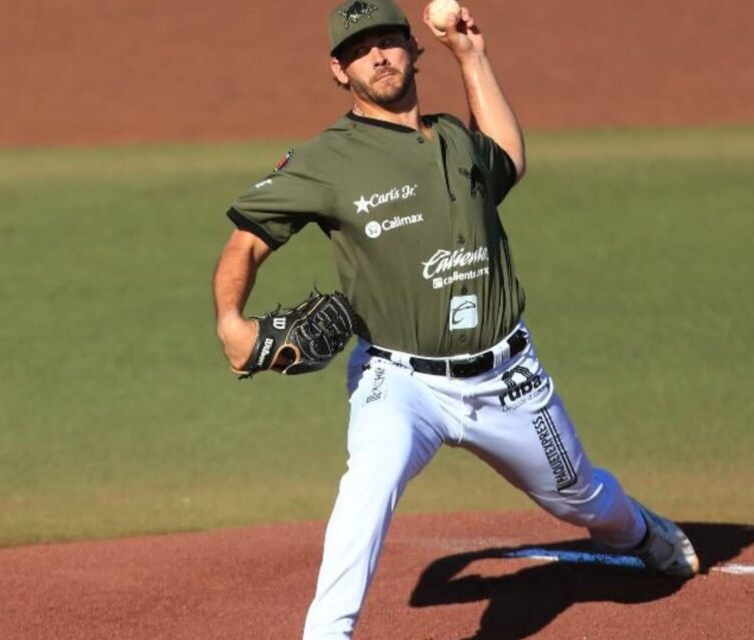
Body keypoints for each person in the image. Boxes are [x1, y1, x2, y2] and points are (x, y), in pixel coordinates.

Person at [211, 1, 699, 638]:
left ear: (414, 48)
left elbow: (508, 157)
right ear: (338, 70)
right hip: (399, 380)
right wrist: (231, 321)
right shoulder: (326, 160)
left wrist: (471, 55)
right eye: (359, 49)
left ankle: (635, 533)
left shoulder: (455, 140)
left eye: (388, 41)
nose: (377, 56)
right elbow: (246, 241)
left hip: (508, 378)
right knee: (368, 485)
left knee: (580, 495)